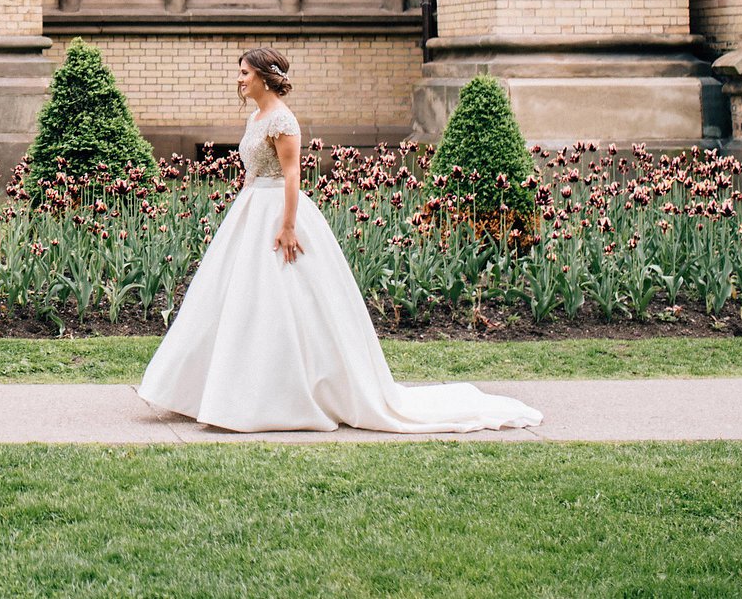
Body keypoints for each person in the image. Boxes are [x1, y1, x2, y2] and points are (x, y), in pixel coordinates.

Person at [138, 46, 541, 434]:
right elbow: (253, 174)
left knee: (281, 301)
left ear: (264, 77)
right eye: (240, 73)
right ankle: (218, 391)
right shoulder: (257, 118)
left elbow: (293, 175)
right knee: (235, 300)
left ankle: (283, 395)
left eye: (245, 73)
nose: (239, 79)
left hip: (279, 212)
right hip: (250, 211)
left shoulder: (283, 121)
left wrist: (288, 225)